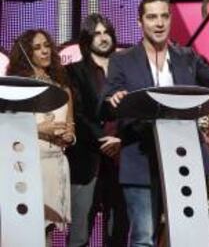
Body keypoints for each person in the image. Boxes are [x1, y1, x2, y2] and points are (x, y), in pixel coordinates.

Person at [102, 0, 209, 247]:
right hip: (141, 159)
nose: (159, 23)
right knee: (144, 237)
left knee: (189, 236)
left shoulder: (187, 57)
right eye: (152, 17)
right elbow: (107, 102)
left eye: (164, 16)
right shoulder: (121, 60)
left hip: (185, 156)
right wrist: (114, 99)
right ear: (139, 22)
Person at [7, 29, 75, 244]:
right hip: (24, 166)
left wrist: (69, 136)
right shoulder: (16, 89)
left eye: (46, 45)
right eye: (37, 48)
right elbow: (7, 129)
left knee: (47, 231)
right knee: (23, 228)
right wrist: (38, 129)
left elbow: (72, 128)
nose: (45, 51)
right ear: (26, 53)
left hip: (55, 166)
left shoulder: (63, 88)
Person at [66, 13, 128, 247]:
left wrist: (120, 141)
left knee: (118, 230)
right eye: (97, 33)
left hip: (122, 159)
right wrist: (104, 139)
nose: (103, 38)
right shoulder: (74, 71)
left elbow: (134, 111)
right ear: (87, 39)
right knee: (80, 234)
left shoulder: (125, 70)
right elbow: (78, 114)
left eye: (106, 32)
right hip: (87, 159)